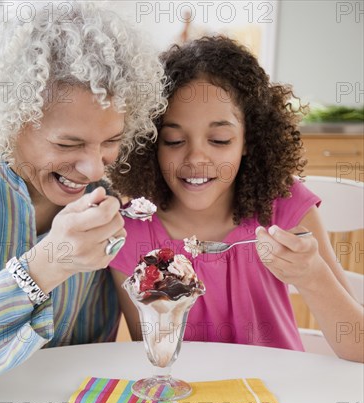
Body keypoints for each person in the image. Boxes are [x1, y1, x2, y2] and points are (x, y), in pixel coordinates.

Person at [0, 1, 167, 399]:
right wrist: (45, 266)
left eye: (111, 141)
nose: (95, 169)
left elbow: (89, 359)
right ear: (7, 118)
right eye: (68, 143)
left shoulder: (102, 206)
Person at [109, 36, 363, 362]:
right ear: (151, 143)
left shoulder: (283, 207)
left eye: (219, 139)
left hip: (281, 396)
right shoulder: (131, 231)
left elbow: (358, 347)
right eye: (173, 140)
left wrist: (312, 276)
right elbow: (152, 356)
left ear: (248, 140)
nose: (196, 157)